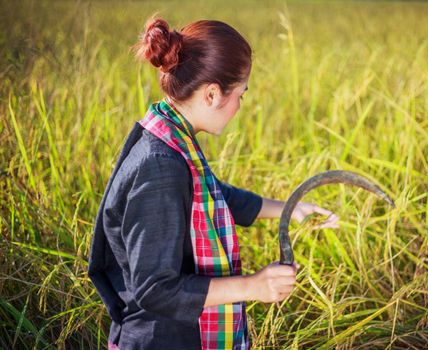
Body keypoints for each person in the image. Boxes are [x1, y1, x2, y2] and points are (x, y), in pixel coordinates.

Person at [87, 15, 339, 350]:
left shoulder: (169, 131)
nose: (239, 107)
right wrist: (253, 286)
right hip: (164, 340)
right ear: (211, 94)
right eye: (240, 95)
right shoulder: (160, 167)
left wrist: (291, 210)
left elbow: (217, 195)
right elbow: (153, 289)